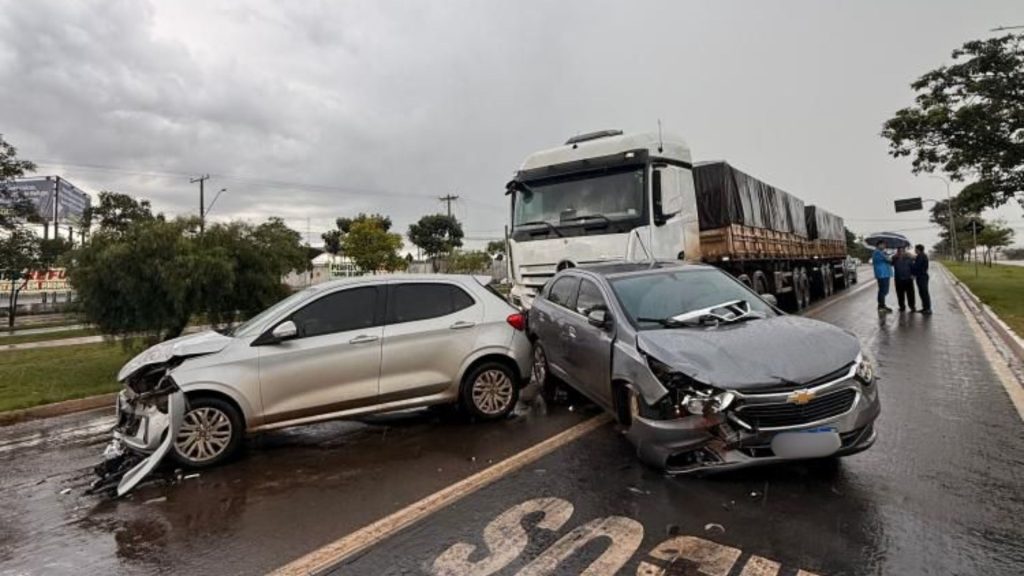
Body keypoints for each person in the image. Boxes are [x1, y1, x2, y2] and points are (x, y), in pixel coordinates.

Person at [893, 246, 916, 312]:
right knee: (900, 294)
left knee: (910, 294)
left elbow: (913, 267)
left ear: (905, 252)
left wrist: (913, 275)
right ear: (898, 252)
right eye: (899, 251)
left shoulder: (909, 258)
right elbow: (890, 262)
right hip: (898, 279)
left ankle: (912, 306)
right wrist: (895, 256)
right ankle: (902, 306)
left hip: (908, 279)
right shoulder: (895, 259)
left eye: (903, 251)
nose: (901, 252)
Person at [872, 240, 893, 312]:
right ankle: (881, 306)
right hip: (882, 274)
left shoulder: (881, 252)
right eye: (883, 245)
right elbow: (889, 260)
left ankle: (881, 305)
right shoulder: (878, 252)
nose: (885, 246)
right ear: (879, 245)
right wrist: (888, 256)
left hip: (884, 273)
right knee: (883, 290)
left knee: (884, 290)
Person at [911, 244, 932, 315]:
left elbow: (917, 266)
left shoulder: (921, 256)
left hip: (922, 277)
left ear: (918, 249)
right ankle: (925, 308)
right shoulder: (921, 256)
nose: (915, 250)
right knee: (922, 293)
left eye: (915, 249)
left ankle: (928, 309)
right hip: (921, 276)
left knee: (924, 293)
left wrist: (912, 266)